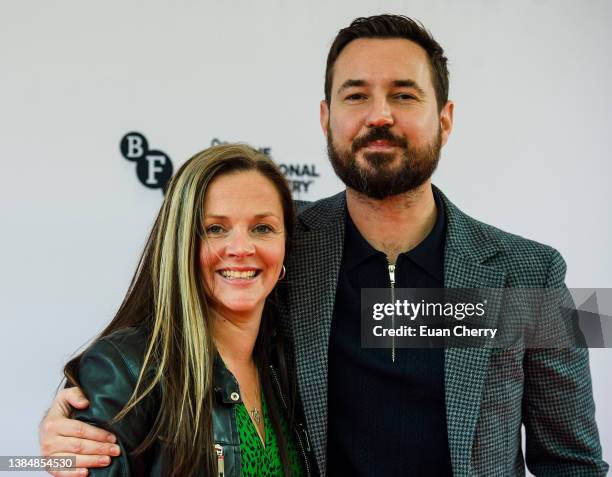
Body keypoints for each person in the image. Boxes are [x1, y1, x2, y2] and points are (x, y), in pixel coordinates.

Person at [40, 15, 607, 477]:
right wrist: (72, 417)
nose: (379, 115)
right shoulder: (281, 249)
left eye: (404, 95)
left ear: (446, 118)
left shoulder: (528, 273)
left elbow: (575, 463)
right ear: (326, 117)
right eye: (356, 95)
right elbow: (166, 337)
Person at [44, 144, 312, 476]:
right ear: (182, 243)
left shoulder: (290, 364)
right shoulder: (128, 369)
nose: (242, 248)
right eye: (215, 229)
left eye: (263, 228)